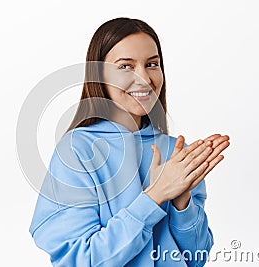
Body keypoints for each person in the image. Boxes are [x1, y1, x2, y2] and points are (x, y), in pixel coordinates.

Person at [29, 17, 230, 266]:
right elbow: (82, 259)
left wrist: (182, 202)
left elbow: (195, 258)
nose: (144, 78)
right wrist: (156, 195)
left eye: (152, 64)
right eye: (125, 66)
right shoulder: (77, 150)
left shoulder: (176, 154)